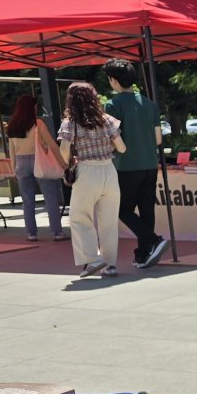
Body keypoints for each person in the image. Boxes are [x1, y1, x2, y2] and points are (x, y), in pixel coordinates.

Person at [102, 60, 167, 269]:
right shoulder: (149, 103)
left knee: (122, 210)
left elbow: (113, 138)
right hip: (150, 164)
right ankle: (143, 254)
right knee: (147, 210)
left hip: (127, 166)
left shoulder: (113, 105)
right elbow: (158, 139)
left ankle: (153, 241)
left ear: (113, 80)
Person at [58, 80, 126, 279]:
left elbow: (64, 150)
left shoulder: (70, 123)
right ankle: (110, 265)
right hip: (109, 170)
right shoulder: (107, 120)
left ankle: (92, 259)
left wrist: (69, 162)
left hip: (86, 170)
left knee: (79, 217)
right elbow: (122, 148)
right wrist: (105, 148)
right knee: (109, 222)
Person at [3, 94, 66, 243]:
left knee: (27, 200)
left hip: (20, 163)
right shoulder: (38, 124)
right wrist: (63, 163)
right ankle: (57, 232)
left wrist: (13, 169)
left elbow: (12, 150)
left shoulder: (12, 126)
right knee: (50, 196)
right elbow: (52, 145)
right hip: (39, 161)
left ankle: (31, 233)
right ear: (32, 107)